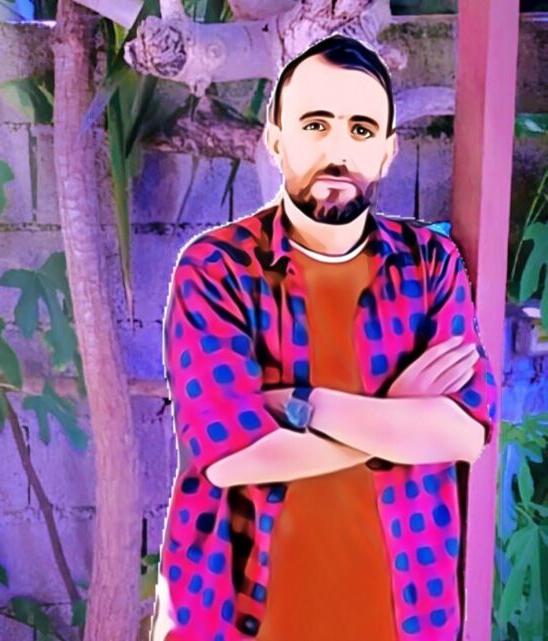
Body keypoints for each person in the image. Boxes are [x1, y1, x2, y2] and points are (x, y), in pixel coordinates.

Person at [150, 33, 498, 641]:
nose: (338, 152)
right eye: (316, 125)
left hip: (405, 618)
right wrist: (399, 416)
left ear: (387, 152)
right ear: (276, 140)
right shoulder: (216, 268)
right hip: (242, 619)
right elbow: (232, 457)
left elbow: (464, 432)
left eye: (361, 130)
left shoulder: (430, 265)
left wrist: (303, 405)